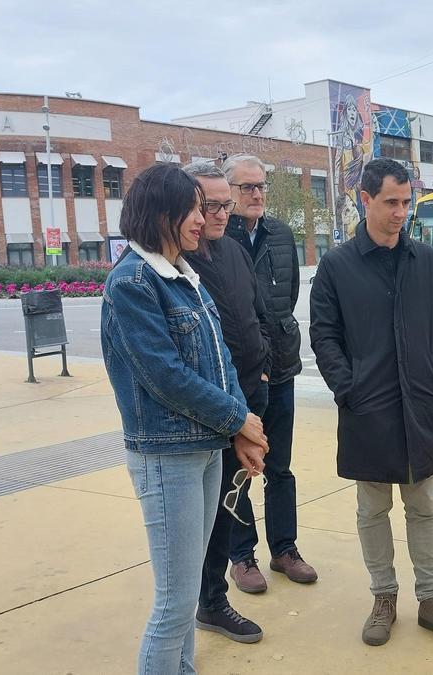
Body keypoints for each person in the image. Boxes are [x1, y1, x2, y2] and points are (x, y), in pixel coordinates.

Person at [101, 163, 268, 674]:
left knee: (188, 582)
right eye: (194, 209)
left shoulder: (186, 276)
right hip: (166, 455)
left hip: (203, 449)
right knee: (175, 602)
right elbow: (165, 375)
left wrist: (237, 425)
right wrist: (239, 420)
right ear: (163, 214)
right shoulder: (132, 281)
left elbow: (219, 360)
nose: (204, 219)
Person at [310, 158, 433, 648]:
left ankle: (432, 600)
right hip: (367, 408)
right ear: (366, 199)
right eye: (391, 202)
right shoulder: (337, 265)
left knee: (424, 505)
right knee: (372, 508)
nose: (402, 212)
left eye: (407, 202)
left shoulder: (426, 261)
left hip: (418, 404)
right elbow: (324, 335)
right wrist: (348, 387)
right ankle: (383, 597)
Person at [180, 160, 271, 644]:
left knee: (231, 502)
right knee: (206, 515)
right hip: (209, 411)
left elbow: (254, 315)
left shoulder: (233, 252)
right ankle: (209, 600)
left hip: (249, 396)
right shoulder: (178, 263)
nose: (218, 214)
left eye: (224, 204)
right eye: (208, 204)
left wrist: (264, 369)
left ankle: (213, 599)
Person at [221, 154, 317, 592]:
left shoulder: (280, 234)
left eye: (261, 186)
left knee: (280, 465)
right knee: (240, 466)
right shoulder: (219, 236)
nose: (257, 194)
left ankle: (285, 549)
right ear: (228, 192)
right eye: (247, 188)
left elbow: (288, 295)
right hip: (238, 374)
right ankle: (241, 556)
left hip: (281, 365)